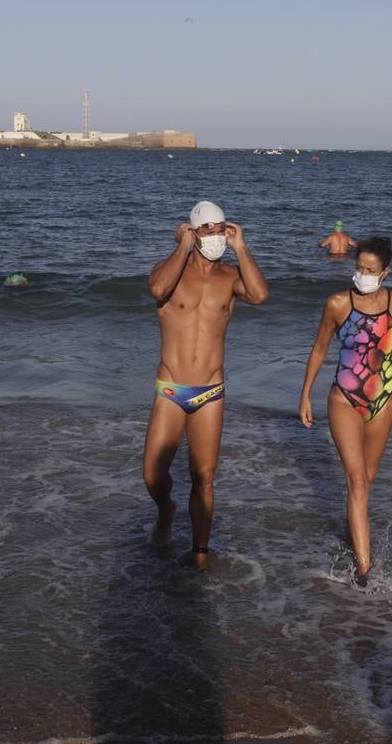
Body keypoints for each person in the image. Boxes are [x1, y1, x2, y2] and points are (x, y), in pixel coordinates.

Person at [298, 237, 392, 586]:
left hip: (383, 403)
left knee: (366, 482)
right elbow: (319, 350)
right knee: (358, 483)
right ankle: (364, 575)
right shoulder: (338, 304)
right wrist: (305, 395)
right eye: (359, 268)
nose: (362, 275)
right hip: (344, 399)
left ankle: (354, 542)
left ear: (386, 273)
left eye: (370, 270)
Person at [143, 201, 270, 568]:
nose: (216, 235)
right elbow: (157, 289)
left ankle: (200, 550)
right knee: (152, 474)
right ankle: (166, 510)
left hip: (210, 391)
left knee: (205, 476)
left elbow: (260, 296)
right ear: (194, 231)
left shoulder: (230, 277)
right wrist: (182, 246)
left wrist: (242, 247)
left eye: (221, 228)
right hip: (171, 387)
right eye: (208, 229)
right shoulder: (169, 272)